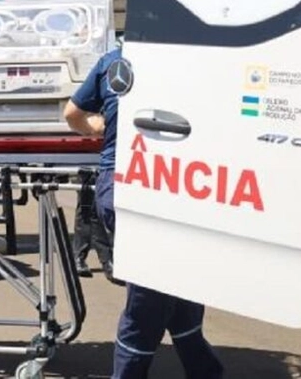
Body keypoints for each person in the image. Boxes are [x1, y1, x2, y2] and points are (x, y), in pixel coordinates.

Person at [64, 47, 223, 378]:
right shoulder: (197, 57)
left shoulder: (115, 61)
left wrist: (98, 126)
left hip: (129, 182)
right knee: (150, 298)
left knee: (179, 286)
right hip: (170, 185)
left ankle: (203, 368)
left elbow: (72, 114)